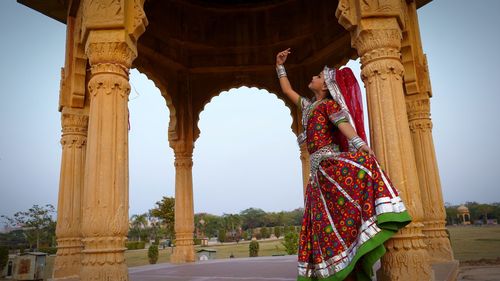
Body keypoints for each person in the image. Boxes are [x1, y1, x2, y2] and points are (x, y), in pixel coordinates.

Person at [275, 49, 411, 281]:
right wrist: (279, 66)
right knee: (324, 222)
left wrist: (359, 145)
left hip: (330, 165)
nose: (313, 78)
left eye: (317, 76)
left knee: (356, 184)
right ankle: (338, 270)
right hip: (317, 176)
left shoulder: (328, 106)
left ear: (325, 86)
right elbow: (287, 90)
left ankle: (379, 222)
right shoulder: (308, 108)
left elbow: (344, 127)